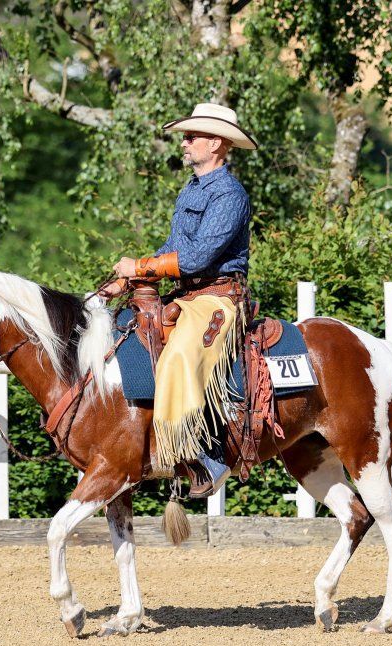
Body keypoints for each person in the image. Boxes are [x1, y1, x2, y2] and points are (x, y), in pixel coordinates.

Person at [105, 102, 257, 497]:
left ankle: (205, 455)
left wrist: (138, 264)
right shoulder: (189, 190)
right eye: (186, 136)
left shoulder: (229, 193)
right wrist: (130, 279)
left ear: (217, 143)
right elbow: (172, 248)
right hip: (188, 294)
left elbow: (196, 258)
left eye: (192, 137)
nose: (185, 143)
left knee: (179, 354)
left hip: (219, 299)